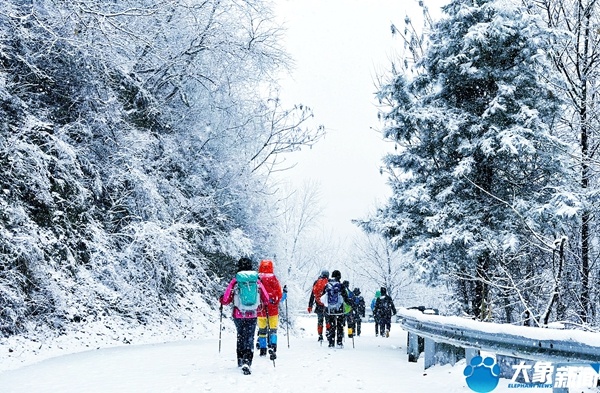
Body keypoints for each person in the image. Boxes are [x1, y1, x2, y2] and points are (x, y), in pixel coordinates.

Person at [220, 257, 270, 375]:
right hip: (252, 314)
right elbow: (266, 299)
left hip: (238, 314)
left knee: (241, 336)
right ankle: (248, 360)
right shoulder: (256, 281)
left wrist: (222, 299)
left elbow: (226, 299)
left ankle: (240, 359)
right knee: (249, 337)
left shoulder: (235, 281)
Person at [256, 259, 284, 360]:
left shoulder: (257, 279)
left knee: (262, 330)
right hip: (273, 310)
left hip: (260, 310)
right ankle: (273, 346)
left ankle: (263, 349)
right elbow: (279, 295)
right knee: (273, 330)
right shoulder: (273, 279)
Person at [323, 270, 351, 348]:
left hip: (330, 310)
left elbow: (323, 297)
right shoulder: (341, 286)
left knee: (332, 326)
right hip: (339, 310)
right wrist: (350, 304)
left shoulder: (327, 285)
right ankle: (339, 343)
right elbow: (345, 298)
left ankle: (331, 343)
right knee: (340, 326)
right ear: (339, 276)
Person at [307, 270, 329, 342]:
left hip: (318, 305)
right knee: (328, 320)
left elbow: (312, 295)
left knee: (320, 321)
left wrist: (310, 305)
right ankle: (328, 334)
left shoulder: (316, 282)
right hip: (327, 305)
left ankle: (320, 335)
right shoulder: (329, 282)